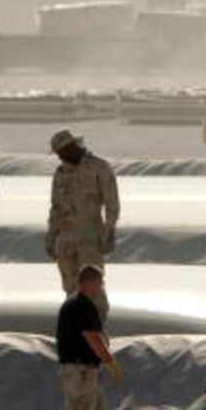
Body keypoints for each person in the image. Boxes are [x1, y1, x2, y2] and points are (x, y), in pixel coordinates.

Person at [46, 130, 119, 321]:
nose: (61, 156)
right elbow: (55, 207)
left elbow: (112, 203)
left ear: (73, 147)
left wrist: (109, 230)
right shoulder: (60, 173)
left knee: (93, 286)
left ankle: (97, 327)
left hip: (90, 236)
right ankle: (75, 328)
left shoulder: (99, 167)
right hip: (65, 237)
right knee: (70, 286)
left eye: (64, 151)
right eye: (59, 153)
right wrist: (51, 235)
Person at [55, 265, 123, 410]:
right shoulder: (83, 306)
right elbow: (92, 337)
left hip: (76, 371)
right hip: (81, 372)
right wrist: (110, 362)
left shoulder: (72, 304)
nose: (101, 286)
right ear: (90, 282)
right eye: (99, 282)